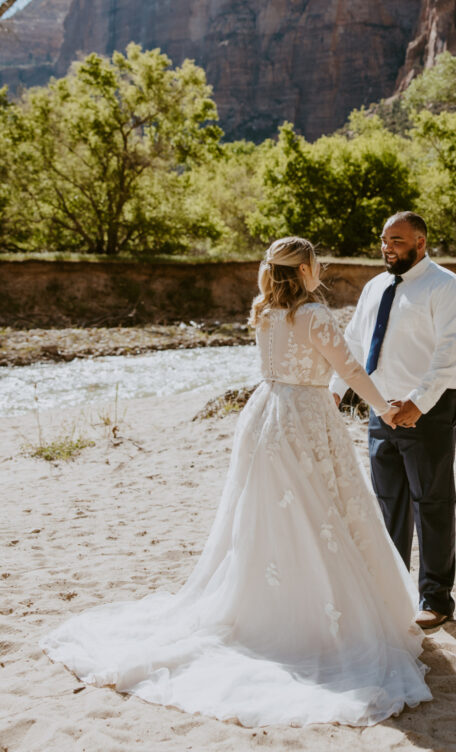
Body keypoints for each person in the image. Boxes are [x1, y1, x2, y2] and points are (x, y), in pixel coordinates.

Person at [42, 237, 432, 727]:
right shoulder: (313, 315)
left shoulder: (266, 313)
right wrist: (385, 408)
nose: (320, 269)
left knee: (269, 512)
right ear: (306, 269)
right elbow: (349, 368)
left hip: (267, 413)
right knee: (318, 511)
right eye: (316, 263)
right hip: (304, 418)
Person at [330, 212, 456, 630]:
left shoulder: (447, 288)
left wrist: (418, 402)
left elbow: (451, 352)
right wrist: (338, 390)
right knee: (388, 503)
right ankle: (393, 594)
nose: (386, 247)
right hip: (380, 410)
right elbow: (355, 343)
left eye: (396, 240)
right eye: (383, 239)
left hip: (429, 410)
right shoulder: (375, 287)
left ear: (421, 243)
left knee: (431, 502)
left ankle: (436, 599)